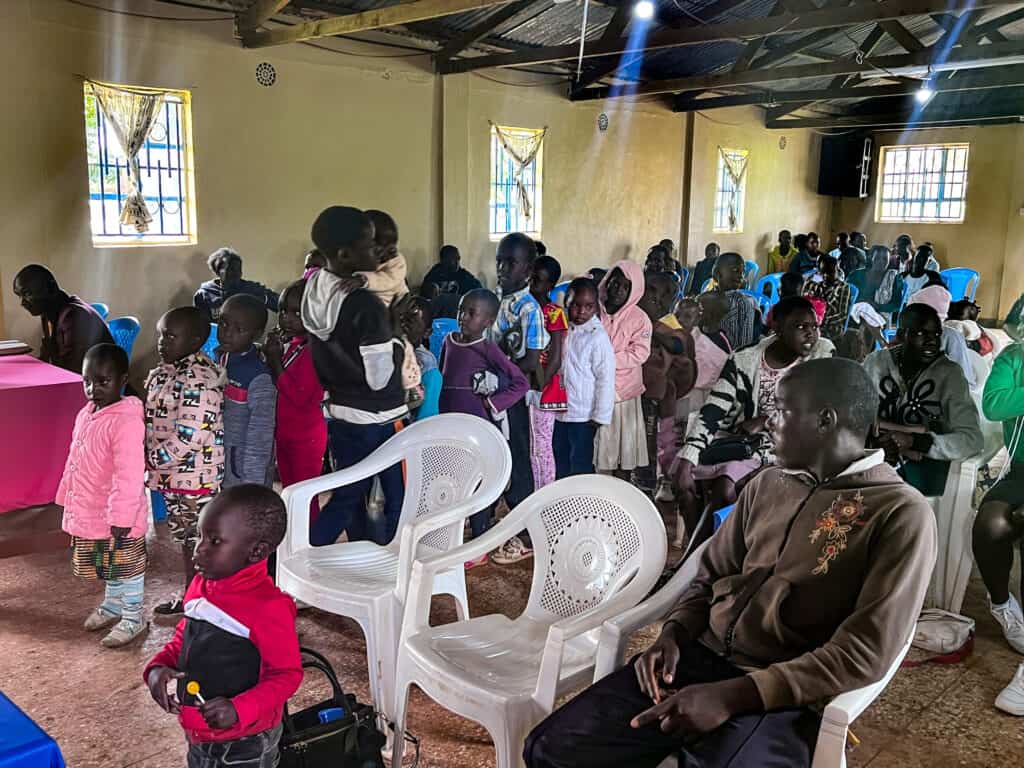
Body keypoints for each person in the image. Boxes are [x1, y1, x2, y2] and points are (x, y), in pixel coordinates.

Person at [524, 357, 937, 768]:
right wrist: (673, 634)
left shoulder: (898, 512)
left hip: (784, 694)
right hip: (698, 658)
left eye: (782, 410)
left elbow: (865, 649)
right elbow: (711, 575)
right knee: (551, 748)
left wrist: (732, 696)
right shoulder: (767, 484)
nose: (768, 421)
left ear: (825, 420)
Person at [144, 485, 302, 768]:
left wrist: (240, 709)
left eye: (215, 541)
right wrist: (157, 667)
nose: (199, 549)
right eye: (200, 536)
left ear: (256, 551)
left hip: (246, 740)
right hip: (200, 731)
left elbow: (287, 675)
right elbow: (186, 635)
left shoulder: (267, 608)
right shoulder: (200, 586)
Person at [674, 297, 834, 546]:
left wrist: (767, 419)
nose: (811, 334)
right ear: (778, 328)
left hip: (788, 448)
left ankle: (706, 555)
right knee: (683, 476)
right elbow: (715, 408)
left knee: (725, 488)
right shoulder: (745, 360)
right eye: (800, 327)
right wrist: (689, 454)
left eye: (814, 326)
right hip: (741, 443)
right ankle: (701, 552)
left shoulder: (821, 357)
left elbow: (819, 410)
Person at [302, 206, 407, 547]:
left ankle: (304, 560)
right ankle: (393, 564)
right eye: (370, 244)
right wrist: (395, 335)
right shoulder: (367, 307)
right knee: (398, 494)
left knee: (348, 495)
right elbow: (379, 378)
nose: (377, 250)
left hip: (342, 412)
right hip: (382, 417)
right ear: (346, 254)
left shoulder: (315, 286)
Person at [58, 343, 149, 647]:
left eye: (102, 381)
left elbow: (130, 474)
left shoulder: (125, 421)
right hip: (92, 508)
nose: (92, 388)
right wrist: (66, 495)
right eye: (87, 381)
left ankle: (134, 618)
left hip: (120, 512)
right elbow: (75, 458)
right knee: (108, 562)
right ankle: (112, 606)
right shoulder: (87, 413)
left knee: (127, 565)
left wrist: (122, 516)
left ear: (123, 379)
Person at [145, 307, 225, 617]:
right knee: (187, 541)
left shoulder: (201, 378)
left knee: (201, 544)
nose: (163, 342)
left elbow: (189, 437)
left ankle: (205, 603)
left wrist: (151, 460)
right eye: (161, 334)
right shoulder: (169, 370)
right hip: (175, 477)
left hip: (196, 479)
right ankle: (194, 599)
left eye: (171, 336)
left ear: (196, 339)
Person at [439, 289, 529, 552]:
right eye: (460, 311)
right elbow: (444, 379)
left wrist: (493, 402)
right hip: (450, 423)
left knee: (478, 479)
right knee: (453, 478)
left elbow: (520, 382)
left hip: (477, 424)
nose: (463, 318)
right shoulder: (448, 341)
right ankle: (452, 533)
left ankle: (479, 534)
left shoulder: (487, 348)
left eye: (471, 313)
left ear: (488, 321)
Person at [863, 304, 983, 496]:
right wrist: (875, 441)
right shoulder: (875, 363)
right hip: (874, 458)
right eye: (921, 333)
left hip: (923, 470)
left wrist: (916, 442)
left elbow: (972, 440)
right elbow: (853, 415)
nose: (932, 342)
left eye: (936, 335)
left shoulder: (949, 375)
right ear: (902, 335)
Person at [971, 340, 1024, 714]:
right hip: (1022, 472)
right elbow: (995, 404)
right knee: (990, 524)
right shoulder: (1013, 357)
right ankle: (1003, 605)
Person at [489, 233, 548, 565]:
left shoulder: (529, 309)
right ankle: (497, 519)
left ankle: (526, 532)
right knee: (493, 454)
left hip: (512, 398)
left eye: (511, 263)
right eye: (499, 260)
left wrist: (496, 366)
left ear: (528, 269)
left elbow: (530, 361)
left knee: (518, 460)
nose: (502, 268)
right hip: (489, 395)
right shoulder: (492, 300)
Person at [264, 281, 326, 526]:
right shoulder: (294, 344)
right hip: (286, 433)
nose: (286, 318)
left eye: (296, 313)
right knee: (289, 492)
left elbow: (301, 397)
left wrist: (275, 362)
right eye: (283, 311)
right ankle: (294, 541)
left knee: (304, 496)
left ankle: (310, 543)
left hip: (306, 437)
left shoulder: (316, 351)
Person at [638, 271, 695, 492]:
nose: (658, 302)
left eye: (663, 297)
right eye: (651, 296)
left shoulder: (668, 328)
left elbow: (678, 351)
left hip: (657, 394)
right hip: (638, 392)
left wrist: (652, 329)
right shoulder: (636, 320)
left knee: (654, 443)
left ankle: (653, 485)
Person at [553, 278, 615, 479]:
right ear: (566, 304)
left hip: (584, 415)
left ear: (596, 307)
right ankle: (561, 499)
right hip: (560, 411)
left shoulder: (597, 337)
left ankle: (581, 500)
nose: (581, 312)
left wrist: (600, 416)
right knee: (559, 458)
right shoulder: (563, 329)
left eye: (588, 307)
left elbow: (605, 379)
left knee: (580, 463)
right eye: (575, 305)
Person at [595, 261, 652, 477]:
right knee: (601, 452)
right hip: (597, 391)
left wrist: (606, 360)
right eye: (614, 283)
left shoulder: (639, 319)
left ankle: (622, 495)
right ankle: (600, 494)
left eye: (625, 286)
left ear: (634, 290)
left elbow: (640, 352)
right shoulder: (595, 311)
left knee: (624, 454)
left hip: (624, 394)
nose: (618, 290)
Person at [218, 295, 277, 489]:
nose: (227, 333)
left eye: (239, 329)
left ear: (257, 334)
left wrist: (252, 485)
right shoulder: (218, 359)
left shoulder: (258, 377)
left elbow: (260, 436)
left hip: (243, 472)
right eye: (223, 324)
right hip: (218, 462)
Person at [12, 264, 113, 374]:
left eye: (27, 293)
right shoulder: (48, 312)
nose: (22, 302)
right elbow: (47, 358)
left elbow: (72, 371)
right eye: (19, 295)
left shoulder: (73, 316)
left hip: (98, 388)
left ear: (51, 288)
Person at [527, 255, 569, 491]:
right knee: (529, 443)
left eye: (539, 280)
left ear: (550, 286)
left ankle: (544, 492)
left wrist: (538, 386)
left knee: (542, 445)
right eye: (531, 278)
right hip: (525, 384)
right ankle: (532, 491)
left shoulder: (553, 313)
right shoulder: (522, 308)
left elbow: (555, 356)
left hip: (544, 386)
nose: (532, 284)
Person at [194, 247, 279, 323]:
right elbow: (202, 325)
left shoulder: (250, 288)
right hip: (215, 339)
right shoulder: (204, 294)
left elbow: (279, 303)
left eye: (238, 269)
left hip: (243, 338)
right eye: (230, 269)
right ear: (218, 271)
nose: (236, 273)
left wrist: (263, 299)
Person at [401, 296, 441, 420]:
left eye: (410, 321)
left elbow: (426, 419)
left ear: (427, 333)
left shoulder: (427, 365)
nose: (403, 323)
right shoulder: (389, 350)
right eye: (400, 317)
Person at [712, 252, 761, 350]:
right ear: (718, 273)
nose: (741, 276)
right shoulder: (706, 299)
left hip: (733, 358)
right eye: (735, 270)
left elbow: (745, 344)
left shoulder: (743, 303)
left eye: (743, 272)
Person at [803, 253, 852, 340]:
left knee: (810, 336)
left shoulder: (843, 287)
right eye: (823, 272)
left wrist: (823, 321)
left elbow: (842, 314)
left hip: (832, 325)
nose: (825, 275)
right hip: (813, 322)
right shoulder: (817, 284)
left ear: (837, 270)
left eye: (830, 272)